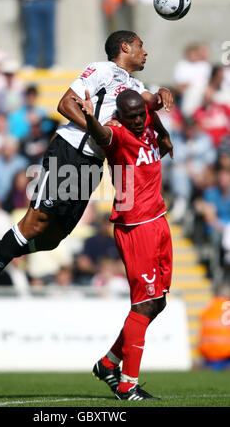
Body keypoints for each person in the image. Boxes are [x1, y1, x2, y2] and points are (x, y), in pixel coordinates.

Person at [0, 30, 173, 329]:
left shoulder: (135, 85)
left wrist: (161, 95)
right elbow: (65, 104)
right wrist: (96, 127)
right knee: (34, 223)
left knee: (52, 239)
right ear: (125, 47)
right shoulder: (101, 70)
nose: (145, 52)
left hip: (92, 163)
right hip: (69, 151)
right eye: (140, 46)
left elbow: (148, 100)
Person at [73, 88, 172, 400]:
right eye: (133, 118)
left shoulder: (147, 118)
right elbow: (103, 135)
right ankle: (127, 384)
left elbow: (155, 103)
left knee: (159, 302)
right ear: (121, 117)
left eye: (142, 115)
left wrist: (161, 105)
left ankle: (108, 363)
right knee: (143, 304)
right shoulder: (117, 131)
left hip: (159, 220)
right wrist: (90, 117)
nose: (140, 122)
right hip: (136, 227)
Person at [11, 0, 66, 69]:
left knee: (49, 32)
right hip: (31, 0)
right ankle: (30, 63)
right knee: (32, 33)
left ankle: (51, 63)